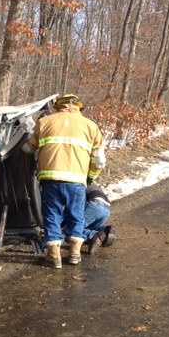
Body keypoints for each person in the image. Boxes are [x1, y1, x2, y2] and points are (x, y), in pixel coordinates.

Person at [25, 94, 111, 269]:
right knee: (76, 215)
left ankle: (54, 257)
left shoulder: (45, 122)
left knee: (52, 216)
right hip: (77, 181)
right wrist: (90, 176)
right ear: (78, 107)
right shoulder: (91, 126)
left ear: (58, 106)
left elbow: (28, 148)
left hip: (51, 179)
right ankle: (74, 254)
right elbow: (99, 160)